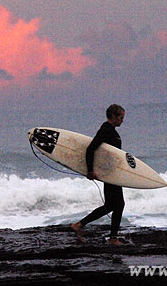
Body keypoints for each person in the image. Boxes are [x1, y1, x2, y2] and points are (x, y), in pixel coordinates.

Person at [71, 104, 126, 245]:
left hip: (112, 173)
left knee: (113, 205)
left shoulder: (111, 130)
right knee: (117, 204)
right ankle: (111, 238)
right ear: (113, 116)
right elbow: (90, 149)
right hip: (109, 174)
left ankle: (81, 225)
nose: (122, 120)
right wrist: (90, 170)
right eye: (121, 117)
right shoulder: (105, 130)